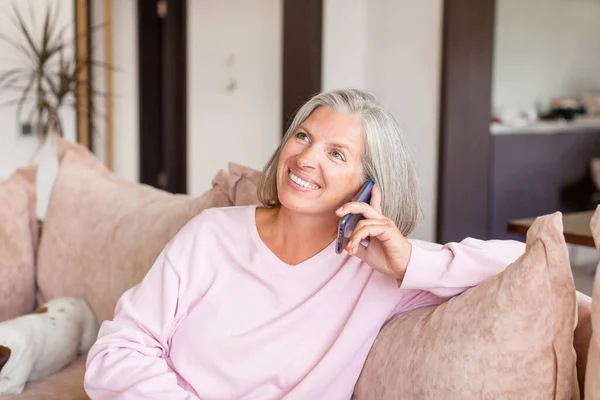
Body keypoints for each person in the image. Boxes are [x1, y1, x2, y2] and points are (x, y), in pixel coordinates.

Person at [84, 89, 525, 399]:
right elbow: (115, 353)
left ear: (370, 186)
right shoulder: (211, 234)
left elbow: (529, 259)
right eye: (303, 137)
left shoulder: (380, 274)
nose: (306, 158)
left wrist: (410, 261)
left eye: (337, 154)